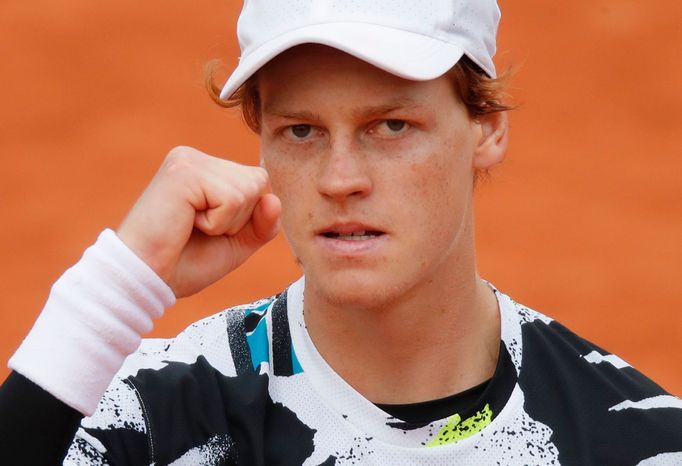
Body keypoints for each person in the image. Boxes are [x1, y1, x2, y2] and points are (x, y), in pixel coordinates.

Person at [1, 0, 681, 464]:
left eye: (391, 126)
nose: (339, 178)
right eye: (301, 130)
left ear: (487, 128)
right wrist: (108, 295)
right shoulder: (143, 417)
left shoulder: (641, 441)